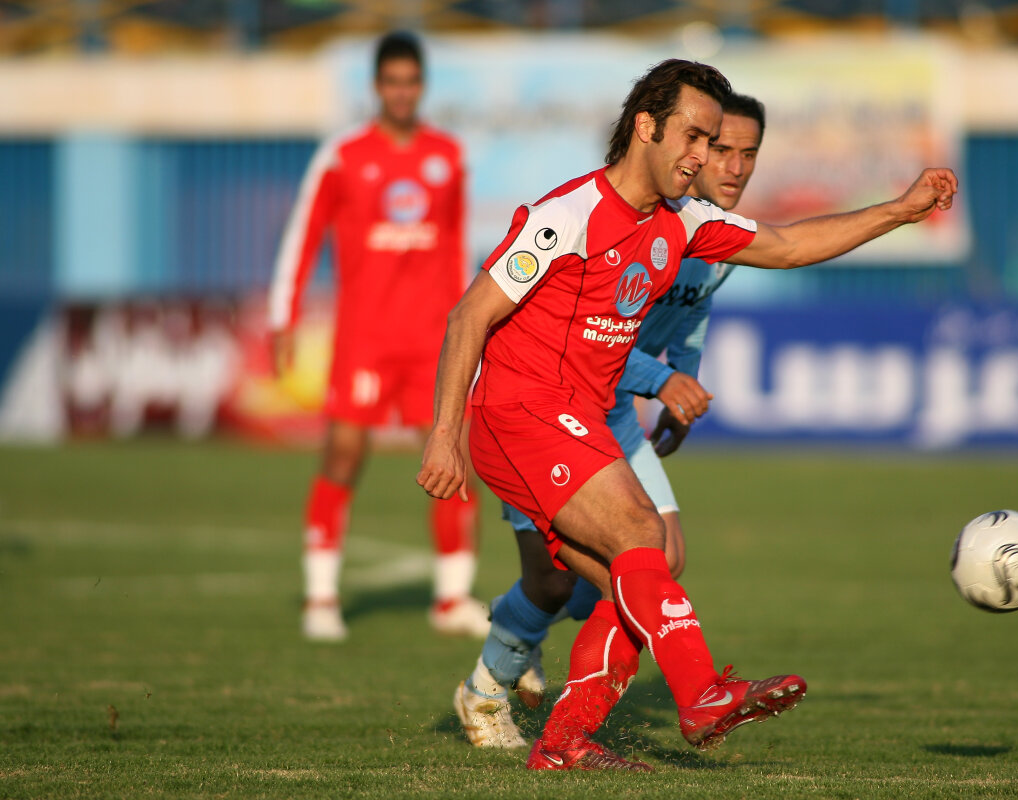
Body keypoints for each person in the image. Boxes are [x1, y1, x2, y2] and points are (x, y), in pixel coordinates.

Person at [418, 59, 957, 771]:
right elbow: (469, 315)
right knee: (642, 532)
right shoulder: (567, 216)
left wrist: (901, 211)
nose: (703, 156)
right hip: (520, 412)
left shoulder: (685, 221)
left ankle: (564, 741)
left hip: (578, 420)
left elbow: (790, 246)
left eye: (714, 141)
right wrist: (445, 434)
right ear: (646, 126)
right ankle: (700, 691)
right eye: (694, 137)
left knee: (638, 578)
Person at [452, 91, 768, 750]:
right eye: (715, 146)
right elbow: (591, 334)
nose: (729, 165)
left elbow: (689, 320)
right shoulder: (600, 217)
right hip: (542, 412)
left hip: (612, 415)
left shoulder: (705, 239)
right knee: (557, 579)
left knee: (654, 561)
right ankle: (498, 673)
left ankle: (569, 735)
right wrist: (662, 380)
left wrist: (682, 377)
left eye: (746, 152)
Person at [269, 31, 489, 642]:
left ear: (422, 86)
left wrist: (472, 328)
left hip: (432, 341)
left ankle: (451, 600)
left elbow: (460, 247)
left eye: (410, 82)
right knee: (343, 455)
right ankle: (320, 598)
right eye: (391, 82)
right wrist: (283, 316)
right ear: (377, 86)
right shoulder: (343, 156)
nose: (401, 92)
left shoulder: (448, 156)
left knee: (452, 458)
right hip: (365, 336)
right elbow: (303, 234)